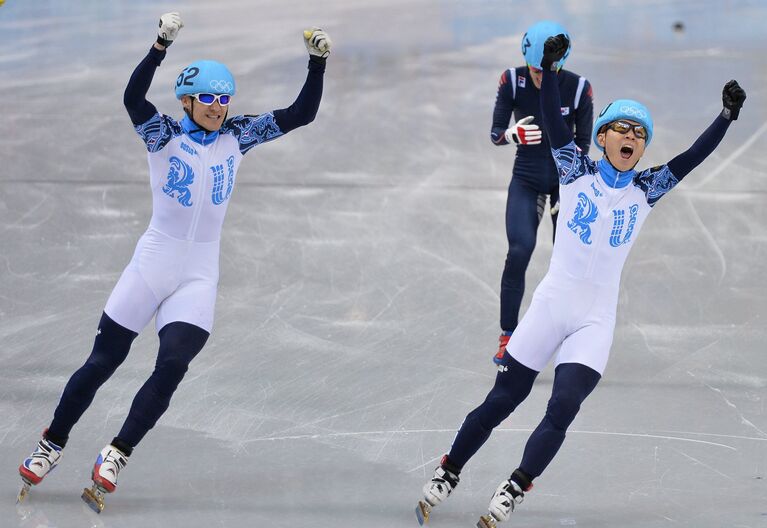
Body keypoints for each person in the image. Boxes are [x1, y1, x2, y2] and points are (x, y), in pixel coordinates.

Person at [416, 34, 746, 527]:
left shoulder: (648, 188)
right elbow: (552, 119)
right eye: (623, 129)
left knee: (563, 406)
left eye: (640, 133)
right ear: (604, 137)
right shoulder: (574, 169)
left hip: (594, 320)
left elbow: (693, 158)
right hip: (551, 306)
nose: (632, 137)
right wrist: (548, 68)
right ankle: (449, 471)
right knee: (501, 400)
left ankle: (515, 485)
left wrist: (724, 118)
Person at [18, 12, 332, 511]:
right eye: (208, 97)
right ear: (187, 100)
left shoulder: (240, 135)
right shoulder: (162, 135)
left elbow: (301, 115)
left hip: (198, 274)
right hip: (152, 264)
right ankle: (51, 442)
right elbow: (132, 100)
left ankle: (117, 452)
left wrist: (317, 65)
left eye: (224, 98)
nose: (218, 107)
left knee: (173, 364)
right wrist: (159, 47)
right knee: (103, 362)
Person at [491, 21, 593, 365]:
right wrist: (512, 135)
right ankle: (508, 336)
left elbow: (583, 146)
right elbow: (495, 133)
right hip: (528, 178)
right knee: (520, 251)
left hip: (565, 184)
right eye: (535, 70)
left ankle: (568, 338)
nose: (539, 76)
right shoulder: (511, 79)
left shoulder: (579, 88)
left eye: (547, 69)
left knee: (569, 262)